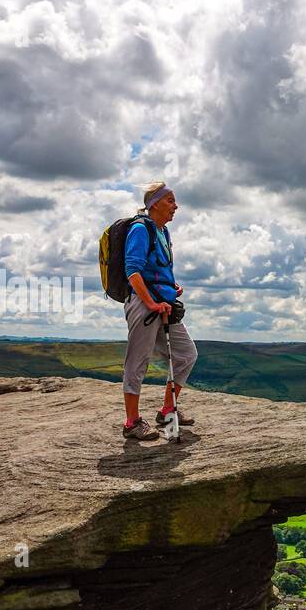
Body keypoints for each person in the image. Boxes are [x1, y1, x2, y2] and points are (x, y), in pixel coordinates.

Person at [121, 181, 198, 440]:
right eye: (170, 201)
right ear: (154, 204)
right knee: (138, 361)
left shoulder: (162, 232)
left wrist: (169, 287)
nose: (175, 206)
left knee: (186, 354)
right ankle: (131, 422)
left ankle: (167, 411)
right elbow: (132, 271)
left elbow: (155, 269)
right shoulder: (141, 229)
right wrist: (153, 302)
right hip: (145, 305)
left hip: (163, 305)